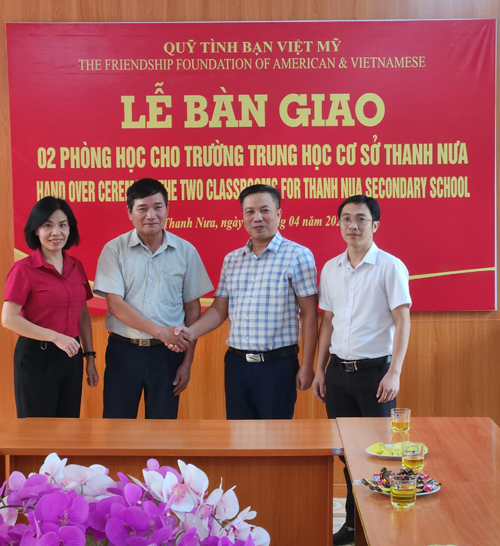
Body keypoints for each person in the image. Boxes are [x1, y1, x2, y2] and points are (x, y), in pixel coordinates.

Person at [312, 194, 411, 546]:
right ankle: (353, 526)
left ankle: (378, 529)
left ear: (375, 225)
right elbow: (327, 323)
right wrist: (319, 369)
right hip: (338, 374)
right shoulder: (330, 268)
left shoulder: (390, 266)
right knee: (345, 454)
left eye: (361, 219)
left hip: (375, 376)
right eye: (346, 219)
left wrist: (394, 371)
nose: (353, 225)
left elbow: (403, 320)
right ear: (339, 223)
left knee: (377, 454)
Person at [173, 184, 318, 419]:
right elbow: (219, 310)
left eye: (264, 210)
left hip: (277, 365)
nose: (257, 217)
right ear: (242, 216)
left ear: (279, 214)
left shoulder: (298, 255)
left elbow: (310, 314)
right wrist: (189, 333)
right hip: (237, 365)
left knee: (276, 441)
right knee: (239, 440)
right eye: (249, 211)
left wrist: (307, 365)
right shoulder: (232, 260)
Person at [93, 178, 213, 419]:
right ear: (129, 212)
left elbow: (192, 311)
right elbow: (116, 306)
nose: (151, 215)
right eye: (142, 208)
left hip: (167, 356)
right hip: (123, 352)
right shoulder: (114, 249)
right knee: (118, 430)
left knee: (164, 432)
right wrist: (161, 332)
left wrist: (187, 363)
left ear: (167, 209)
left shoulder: (186, 251)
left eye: (158, 207)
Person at [2, 196, 98, 418]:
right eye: (48, 225)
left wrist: (90, 356)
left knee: (68, 426)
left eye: (62, 225)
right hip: (36, 356)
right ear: (36, 230)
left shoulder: (76, 266)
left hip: (71, 356)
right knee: (37, 431)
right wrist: (55, 337)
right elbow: (9, 319)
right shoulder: (23, 269)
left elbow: (82, 314)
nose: (56, 232)